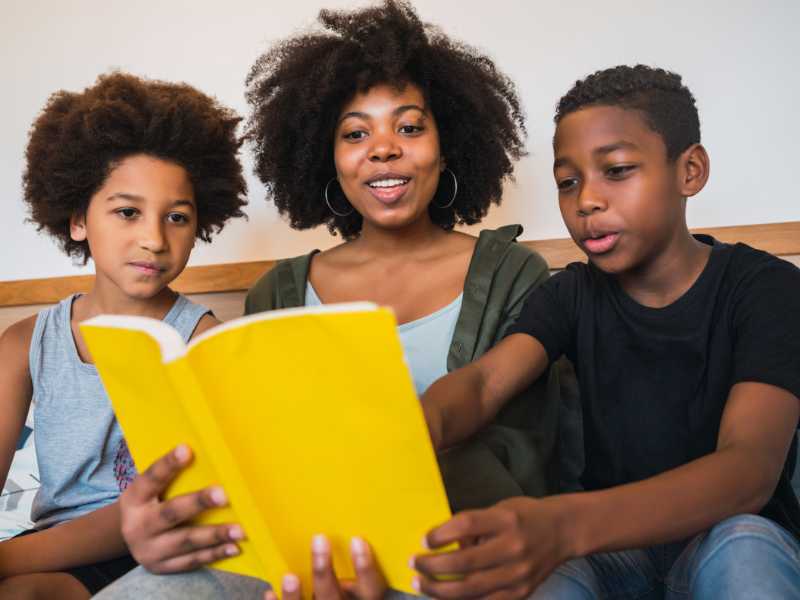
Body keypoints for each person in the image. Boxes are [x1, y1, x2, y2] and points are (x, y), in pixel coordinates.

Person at [96, 1, 576, 598]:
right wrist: (157, 520)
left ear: (447, 146)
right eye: (355, 133)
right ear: (328, 157)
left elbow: (522, 452)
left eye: (408, 126)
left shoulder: (512, 274)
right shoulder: (280, 291)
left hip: (452, 556)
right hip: (302, 555)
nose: (382, 149)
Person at [410, 64, 800, 599]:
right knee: (539, 583)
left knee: (745, 550)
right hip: (614, 554)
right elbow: (481, 384)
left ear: (690, 170)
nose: (586, 200)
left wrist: (562, 524)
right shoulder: (568, 295)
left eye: (616, 170)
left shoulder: (767, 289)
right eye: (567, 182)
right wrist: (414, 428)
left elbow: (748, 469)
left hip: (727, 534)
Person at [0, 72, 247, 599]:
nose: (154, 239)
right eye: (127, 212)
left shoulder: (205, 344)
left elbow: (172, 507)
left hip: (154, 544)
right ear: (77, 220)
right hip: (50, 543)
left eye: (176, 217)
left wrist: (5, 559)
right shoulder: (25, 345)